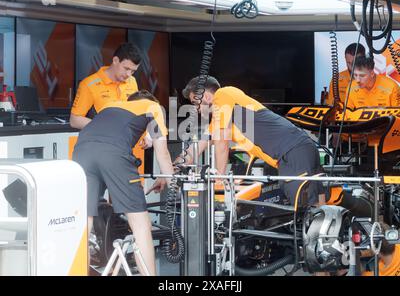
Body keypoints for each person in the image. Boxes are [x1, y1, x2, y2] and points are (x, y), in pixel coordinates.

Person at [153, 76, 324, 207]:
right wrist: (167, 174)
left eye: (194, 102)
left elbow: (222, 142)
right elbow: (193, 151)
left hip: (292, 151)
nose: (195, 109)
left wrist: (219, 181)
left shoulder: (224, 94)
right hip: (298, 150)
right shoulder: (219, 119)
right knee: (318, 207)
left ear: (204, 96)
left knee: (305, 210)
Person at [72, 90, 174, 276]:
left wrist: (148, 138)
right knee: (141, 224)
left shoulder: (110, 106)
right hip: (114, 155)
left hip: (81, 152)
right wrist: (173, 185)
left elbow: (109, 132)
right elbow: (163, 154)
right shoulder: (153, 107)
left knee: (83, 222)